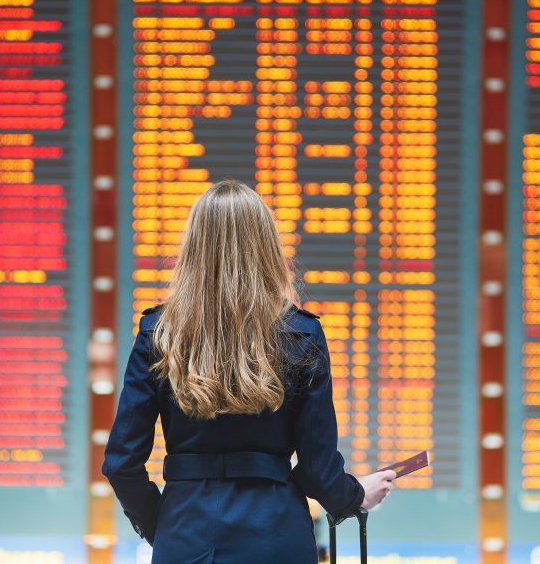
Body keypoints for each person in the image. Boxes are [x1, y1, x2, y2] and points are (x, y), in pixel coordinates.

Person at [102, 178, 396, 563]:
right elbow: (316, 468)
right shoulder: (302, 334)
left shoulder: (159, 333)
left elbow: (122, 463)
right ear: (266, 247)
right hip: (277, 537)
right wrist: (355, 495)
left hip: (184, 535)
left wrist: (165, 527)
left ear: (192, 249)